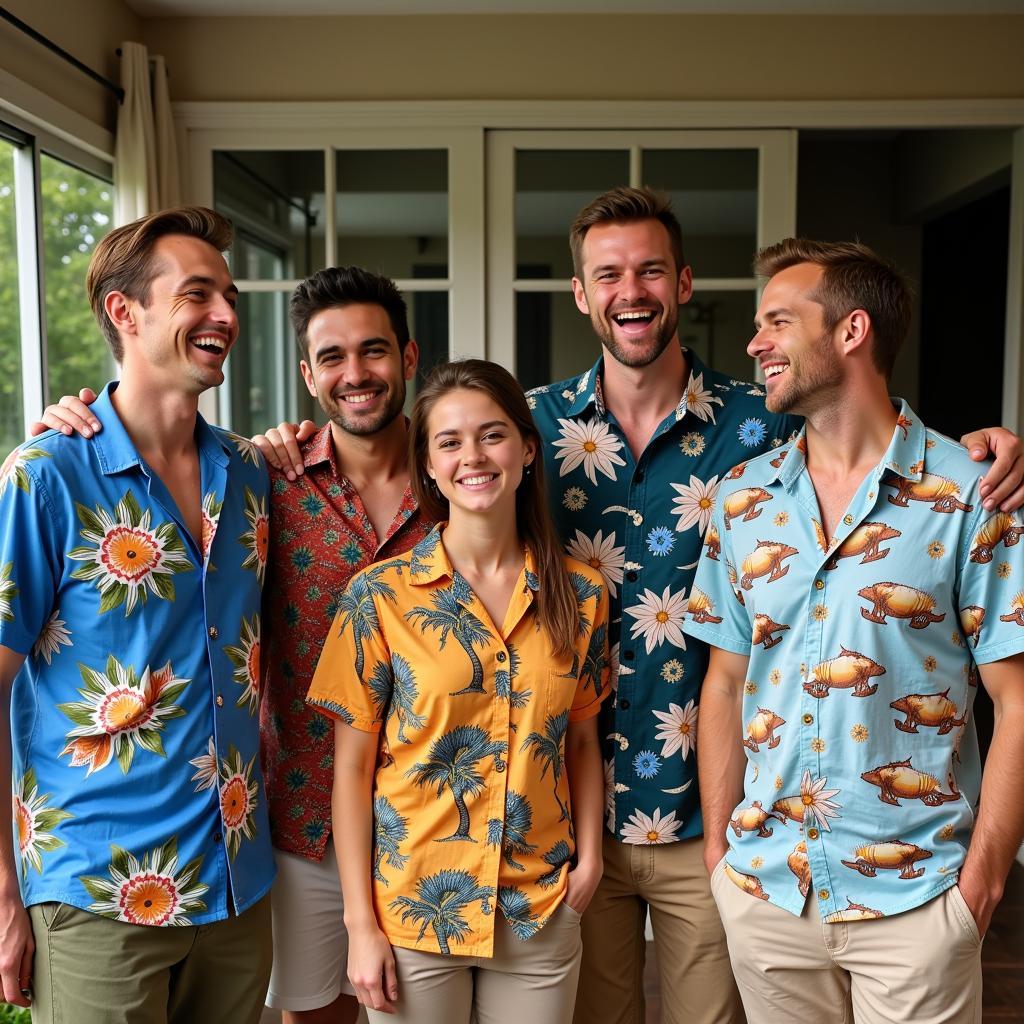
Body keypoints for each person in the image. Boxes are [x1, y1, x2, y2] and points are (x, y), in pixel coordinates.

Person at [523, 187, 1024, 1024]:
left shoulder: (766, 424)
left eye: (650, 269)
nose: (630, 290)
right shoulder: (529, 433)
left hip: (796, 846)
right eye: (607, 274)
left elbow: (877, 438)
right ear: (580, 293)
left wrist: (980, 886)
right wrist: (295, 443)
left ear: (681, 282)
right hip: (580, 811)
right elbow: (430, 456)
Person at [31, 265, 434, 1024]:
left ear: (409, 360)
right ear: (309, 376)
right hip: (301, 819)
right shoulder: (269, 477)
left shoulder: (460, 476)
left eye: (375, 352)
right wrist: (78, 421)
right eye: (333, 358)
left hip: (441, 818)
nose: (357, 374)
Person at [683, 238, 1024, 1024]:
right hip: (768, 891)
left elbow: (1016, 699)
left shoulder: (974, 492)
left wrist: (982, 885)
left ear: (852, 331)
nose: (753, 343)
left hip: (920, 901)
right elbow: (726, 682)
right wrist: (720, 861)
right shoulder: (740, 502)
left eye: (776, 321)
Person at [0, 207, 274, 1023]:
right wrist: (3, 897)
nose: (225, 313)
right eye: (197, 294)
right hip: (96, 895)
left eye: (227, 294)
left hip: (235, 885)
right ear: (126, 313)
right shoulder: (45, 477)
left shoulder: (251, 474)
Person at [306, 359, 609, 1023]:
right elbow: (352, 770)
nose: (473, 456)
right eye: (449, 442)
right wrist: (360, 923)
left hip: (539, 907)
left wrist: (588, 863)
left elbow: (582, 741)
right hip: (414, 908)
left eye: (492, 435)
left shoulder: (582, 594)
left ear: (528, 450)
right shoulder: (378, 598)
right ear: (431, 468)